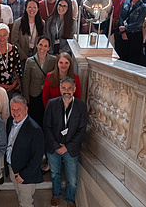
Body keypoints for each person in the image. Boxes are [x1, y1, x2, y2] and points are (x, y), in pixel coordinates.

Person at [44, 77, 88, 207]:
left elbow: (81, 130)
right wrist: (56, 146)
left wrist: (66, 147)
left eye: (69, 88)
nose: (66, 91)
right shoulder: (52, 104)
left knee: (72, 179)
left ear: (74, 89)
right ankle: (56, 195)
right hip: (54, 147)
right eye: (64, 88)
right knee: (55, 174)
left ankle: (70, 199)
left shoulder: (81, 106)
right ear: (60, 89)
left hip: (71, 148)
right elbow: (47, 126)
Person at [5, 95, 45, 207]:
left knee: (26, 202)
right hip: (12, 168)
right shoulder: (10, 121)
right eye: (13, 109)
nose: (15, 112)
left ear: (26, 109)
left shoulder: (35, 129)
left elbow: (37, 157)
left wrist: (24, 175)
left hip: (25, 173)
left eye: (19, 109)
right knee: (21, 197)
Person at [22, 35, 54, 125]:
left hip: (47, 93)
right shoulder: (30, 61)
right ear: (36, 45)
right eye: (40, 45)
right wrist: (26, 96)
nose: (42, 48)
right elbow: (26, 79)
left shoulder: (53, 60)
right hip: (34, 93)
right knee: (35, 117)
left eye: (45, 46)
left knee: (46, 117)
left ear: (48, 48)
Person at [11, 0, 44, 71]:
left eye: (34, 7)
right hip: (21, 58)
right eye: (29, 7)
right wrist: (24, 57)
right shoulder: (18, 23)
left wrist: (36, 57)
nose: (32, 10)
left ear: (38, 9)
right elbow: (14, 41)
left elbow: (43, 41)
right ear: (26, 9)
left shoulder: (42, 24)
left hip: (37, 58)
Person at [117, 0, 146, 65]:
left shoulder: (143, 7)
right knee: (123, 55)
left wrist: (125, 27)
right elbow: (121, 17)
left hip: (135, 34)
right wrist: (123, 31)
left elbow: (139, 23)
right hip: (123, 32)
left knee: (133, 58)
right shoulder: (126, 2)